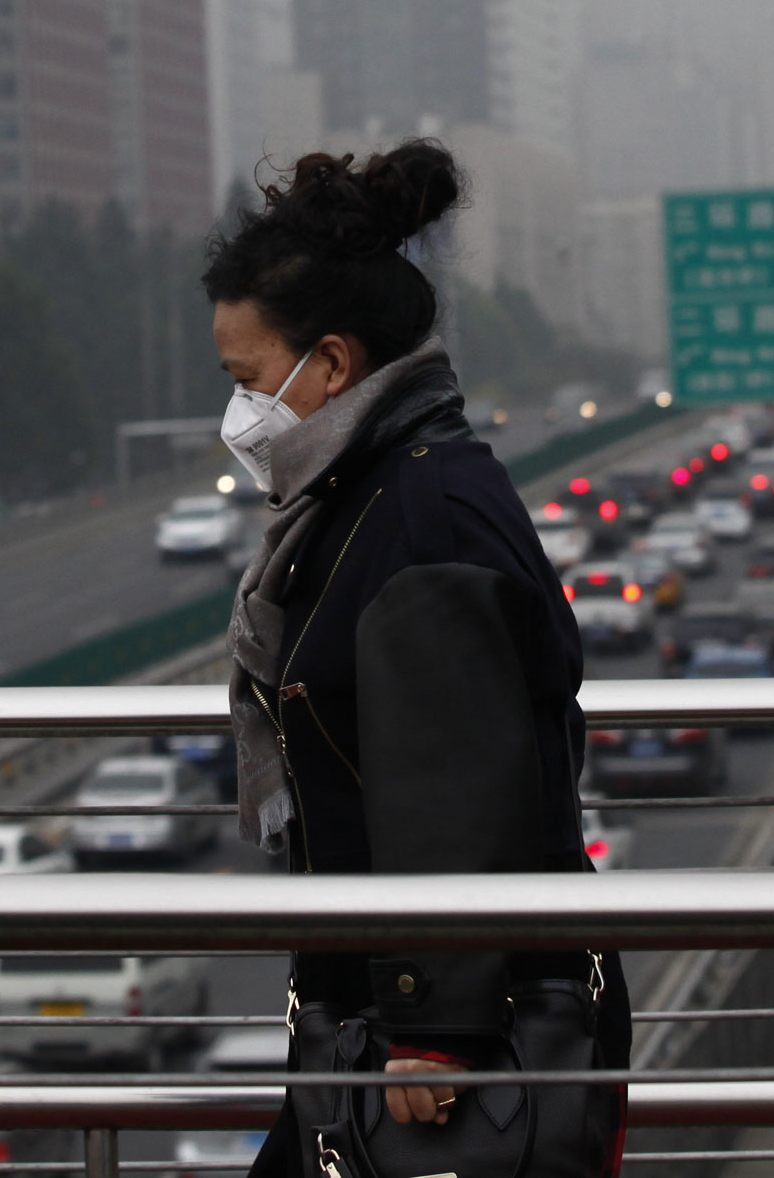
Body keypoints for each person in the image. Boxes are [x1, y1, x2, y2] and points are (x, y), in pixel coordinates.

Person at [209, 140, 626, 1178]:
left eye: (247, 380)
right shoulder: (374, 492)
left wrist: (434, 1026)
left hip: (449, 1036)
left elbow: (462, 774)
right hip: (383, 1014)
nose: (238, 415)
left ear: (333, 363)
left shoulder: (420, 511)